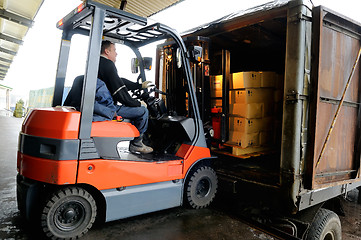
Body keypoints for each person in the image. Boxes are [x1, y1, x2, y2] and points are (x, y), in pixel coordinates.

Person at [98, 40, 153, 154]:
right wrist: (137, 103)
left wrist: (139, 85)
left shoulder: (99, 64)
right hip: (108, 108)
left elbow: (119, 81)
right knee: (143, 112)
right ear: (107, 51)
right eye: (114, 50)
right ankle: (137, 144)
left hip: (100, 105)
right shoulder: (108, 65)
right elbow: (119, 93)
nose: (116, 53)